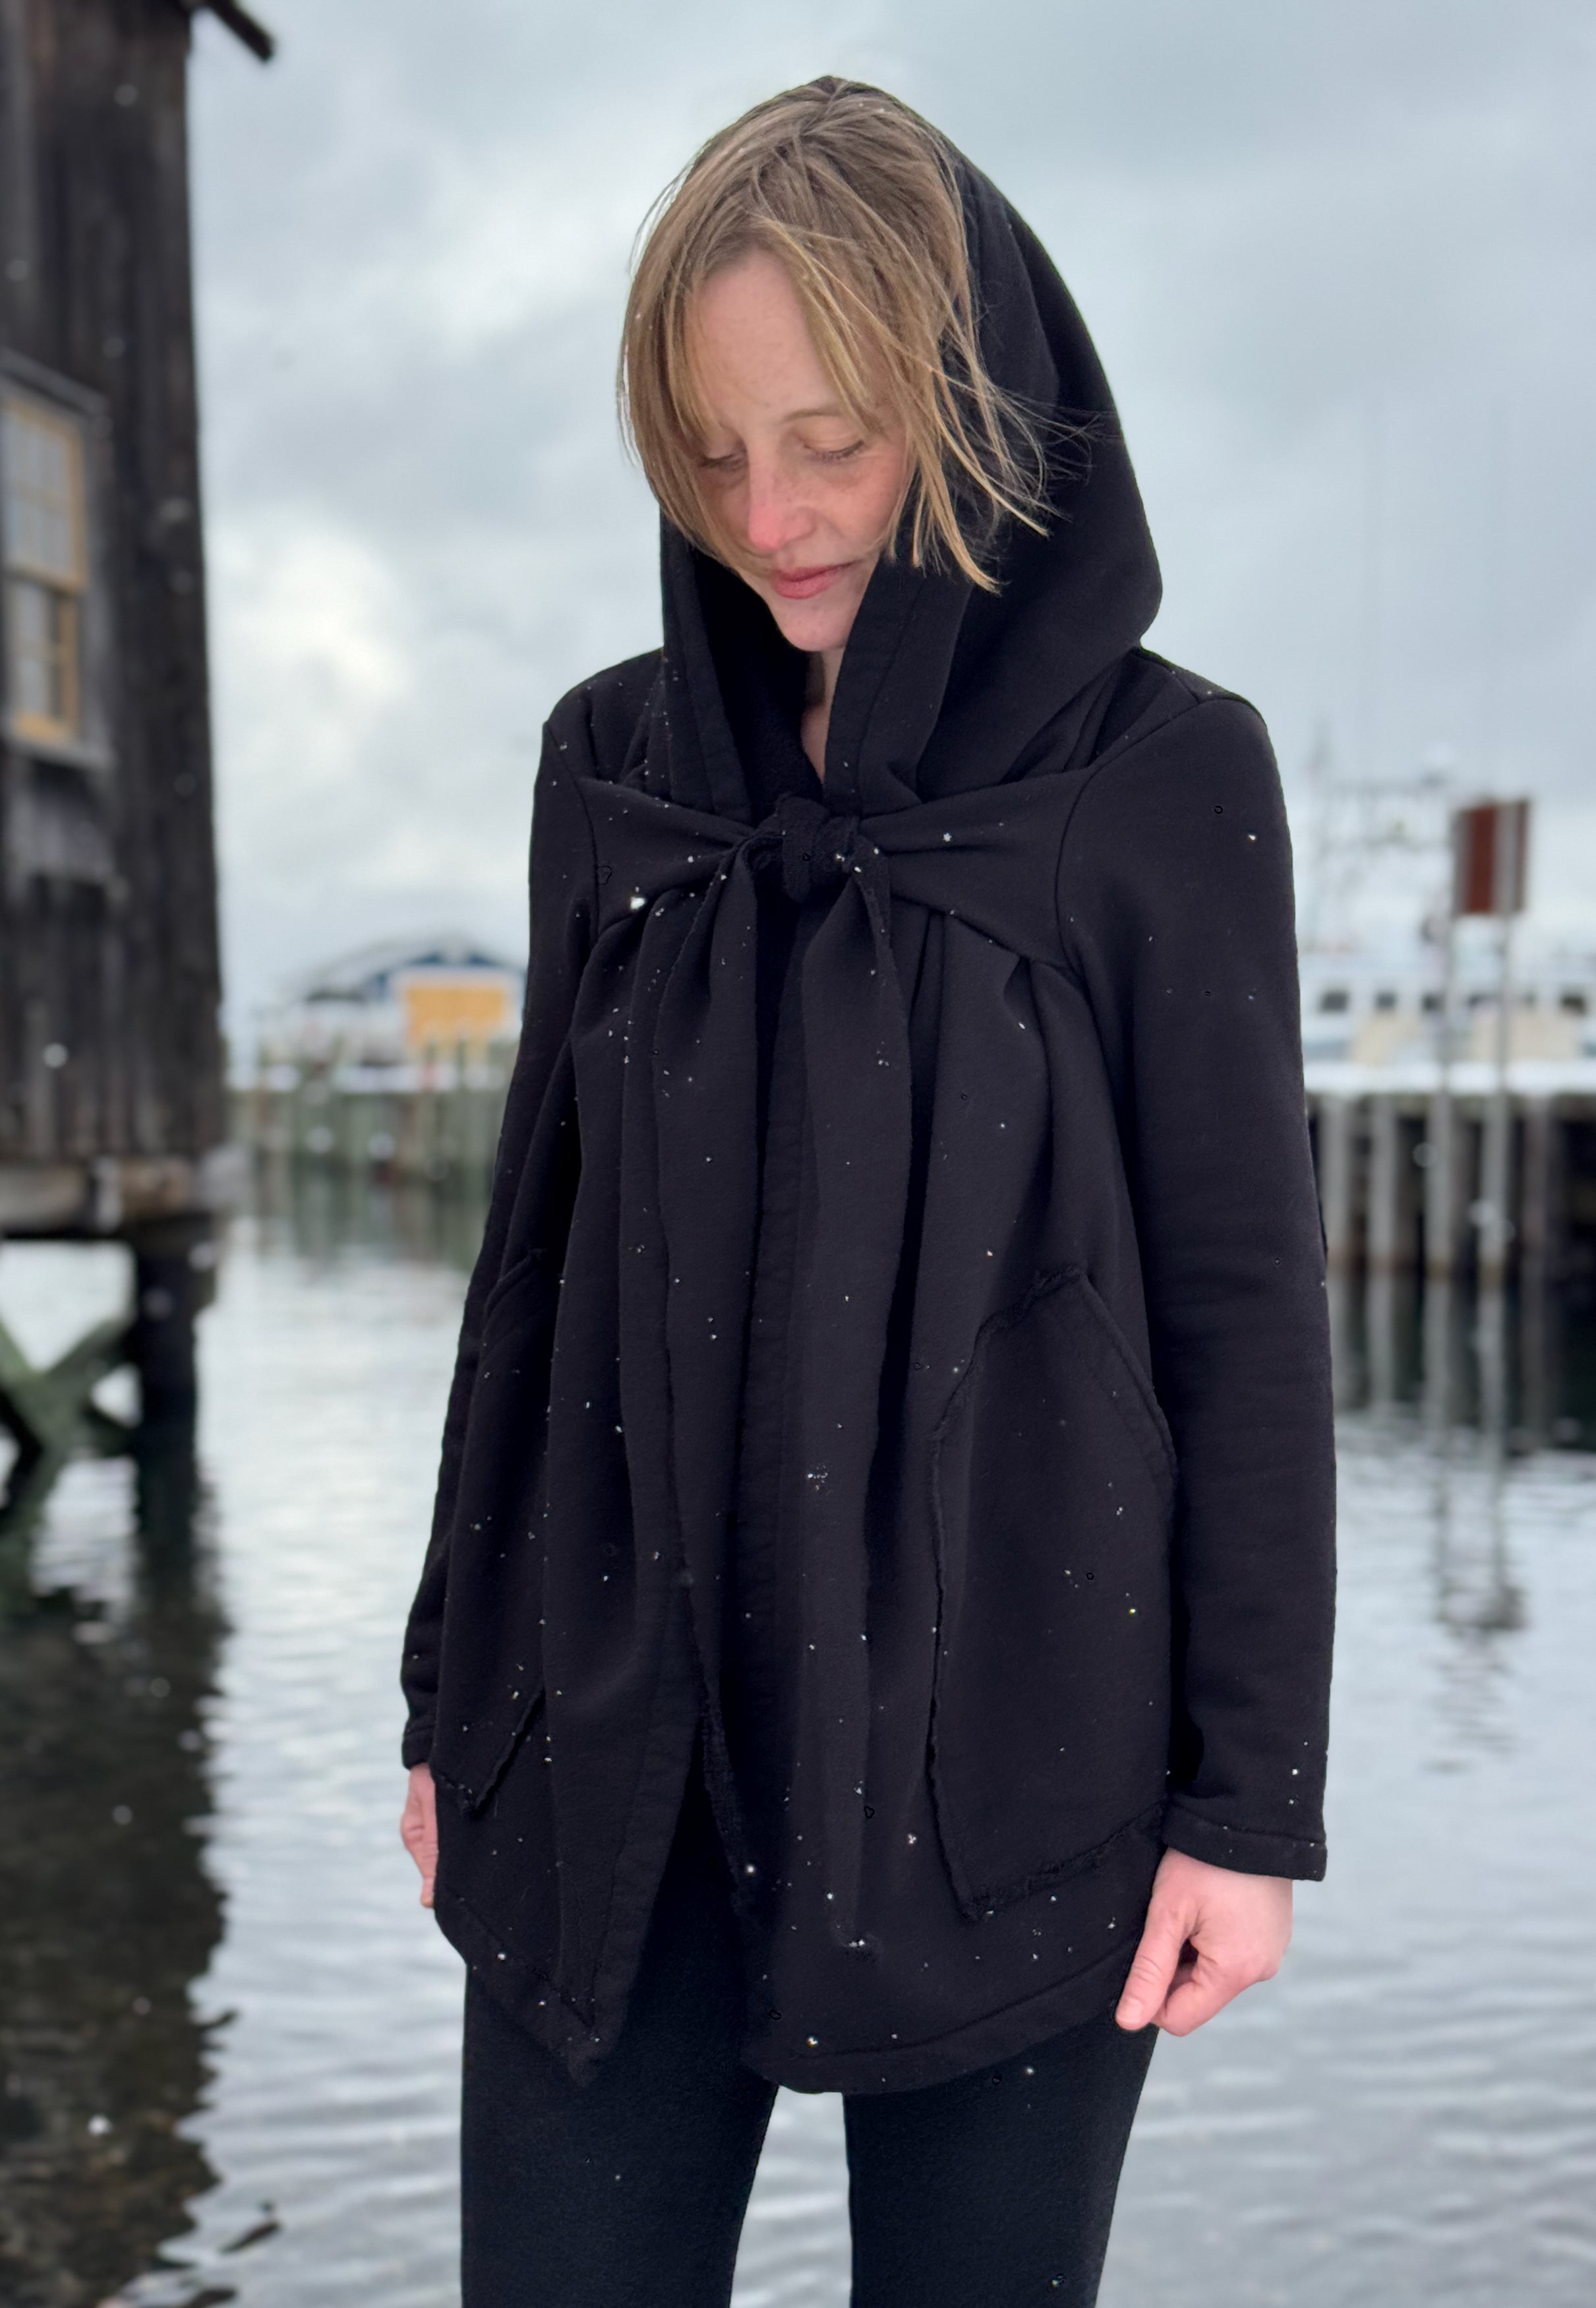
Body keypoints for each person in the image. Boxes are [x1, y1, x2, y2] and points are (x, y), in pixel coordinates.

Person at [398, 76, 1335, 2308]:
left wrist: (1249, 1803)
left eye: (831, 438)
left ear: (976, 398)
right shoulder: (606, 767)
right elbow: (526, 1255)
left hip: (1021, 1738)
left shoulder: (1160, 772)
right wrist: (450, 1695)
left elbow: (1240, 1304)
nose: (774, 513)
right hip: (609, 1732)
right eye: (713, 456)